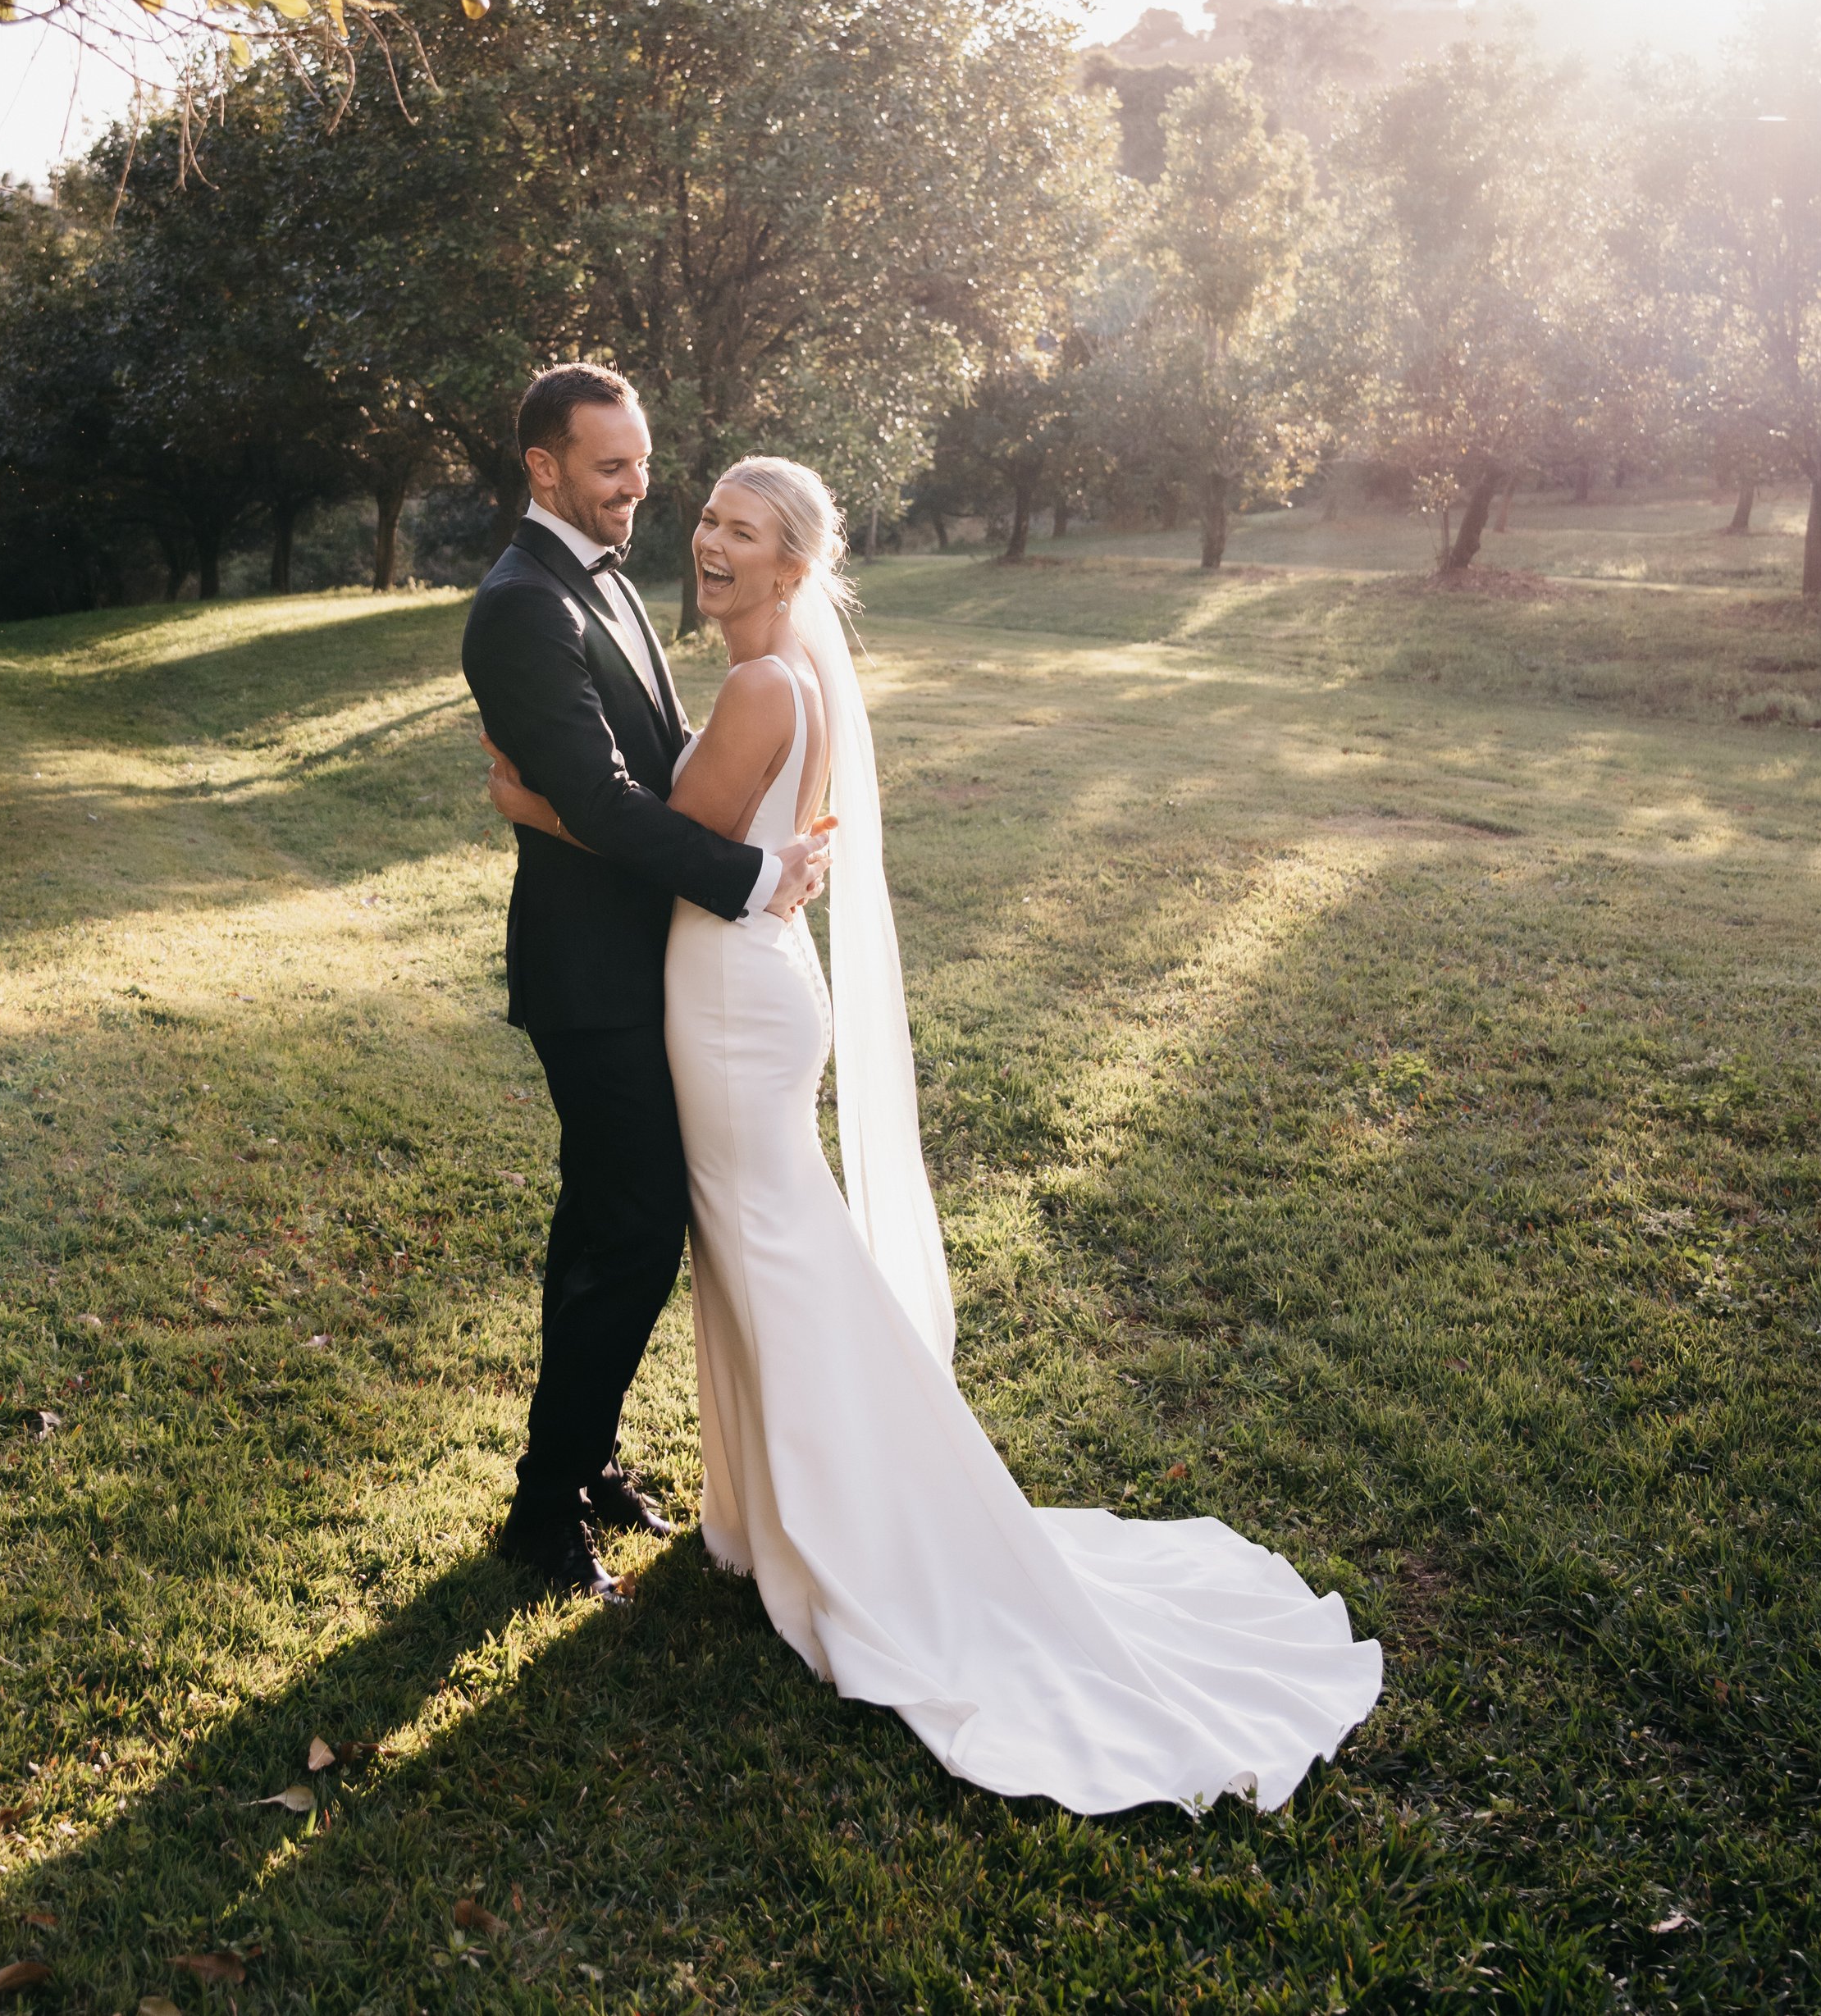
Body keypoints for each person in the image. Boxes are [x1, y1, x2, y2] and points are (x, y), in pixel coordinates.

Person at [486, 452, 1383, 1818]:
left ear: (794, 564)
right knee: (763, 1247)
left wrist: (532, 800)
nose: (711, 541)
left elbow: (661, 832)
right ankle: (789, 1510)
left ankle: (864, 1528)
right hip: (748, 988)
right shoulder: (783, 672)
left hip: (727, 1003)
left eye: (743, 528)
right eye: (708, 518)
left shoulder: (764, 683)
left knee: (775, 1254)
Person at [460, 367, 833, 1603]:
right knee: (630, 1228)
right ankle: (541, 1507)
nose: (636, 486)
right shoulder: (522, 607)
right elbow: (611, 811)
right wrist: (752, 870)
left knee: (615, 1224)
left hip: (658, 969)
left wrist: (734, 845)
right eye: (608, 464)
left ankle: (588, 1456)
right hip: (596, 978)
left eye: (641, 462)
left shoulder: (601, 585)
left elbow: (662, 771)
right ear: (544, 467)